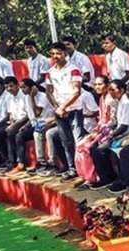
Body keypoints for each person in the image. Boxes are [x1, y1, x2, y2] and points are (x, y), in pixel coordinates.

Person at [44, 42, 82, 180]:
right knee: (65, 141)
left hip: (74, 109)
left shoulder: (73, 69)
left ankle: (83, 170)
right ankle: (72, 168)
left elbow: (76, 91)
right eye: (53, 54)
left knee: (77, 140)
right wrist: (57, 108)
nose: (55, 56)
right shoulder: (50, 72)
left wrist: (63, 107)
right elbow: (49, 92)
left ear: (65, 53)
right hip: (59, 111)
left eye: (58, 53)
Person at [20, 78, 56, 174]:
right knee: (21, 135)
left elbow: (37, 113)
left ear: (32, 87)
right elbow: (31, 115)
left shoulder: (42, 96)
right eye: (21, 88)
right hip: (37, 124)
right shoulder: (26, 97)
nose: (22, 90)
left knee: (38, 133)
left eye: (24, 87)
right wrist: (26, 125)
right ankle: (40, 162)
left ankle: (49, 163)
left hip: (50, 122)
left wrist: (32, 97)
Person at [2, 76, 30, 173]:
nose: (9, 89)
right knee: (0, 133)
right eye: (6, 87)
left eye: (11, 86)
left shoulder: (24, 95)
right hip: (16, 121)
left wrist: (14, 125)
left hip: (26, 120)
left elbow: (28, 115)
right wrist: (12, 123)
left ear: (17, 85)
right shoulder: (9, 97)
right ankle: (9, 161)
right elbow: (11, 114)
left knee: (13, 133)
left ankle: (18, 162)